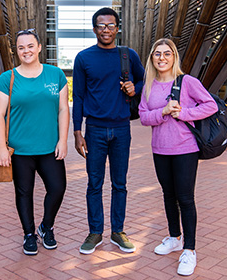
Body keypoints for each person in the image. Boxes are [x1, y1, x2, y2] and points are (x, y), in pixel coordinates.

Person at [138, 38, 218, 276]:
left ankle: (190, 250)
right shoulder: (149, 85)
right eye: (157, 54)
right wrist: (162, 112)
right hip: (159, 149)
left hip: (185, 149)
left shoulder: (187, 82)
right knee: (168, 195)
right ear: (152, 58)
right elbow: (143, 116)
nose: (162, 58)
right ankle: (174, 237)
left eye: (167, 54)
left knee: (185, 198)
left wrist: (185, 113)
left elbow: (210, 105)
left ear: (174, 57)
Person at [72, 7, 144, 254]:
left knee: (120, 183)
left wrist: (136, 87)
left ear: (117, 28)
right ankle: (95, 233)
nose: (106, 30)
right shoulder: (83, 58)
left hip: (122, 129)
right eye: (101, 25)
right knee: (94, 183)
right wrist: (77, 131)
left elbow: (145, 80)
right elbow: (78, 96)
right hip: (94, 130)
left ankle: (118, 231)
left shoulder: (128, 55)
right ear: (94, 29)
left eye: (111, 25)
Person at [0, 29, 69, 256]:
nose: (26, 51)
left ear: (39, 48)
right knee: (24, 192)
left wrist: (63, 140)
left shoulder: (55, 75)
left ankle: (46, 227)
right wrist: (2, 148)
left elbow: (64, 109)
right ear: (16, 51)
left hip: (49, 147)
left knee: (57, 188)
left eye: (30, 46)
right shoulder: (7, 78)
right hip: (20, 150)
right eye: (21, 47)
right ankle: (29, 234)